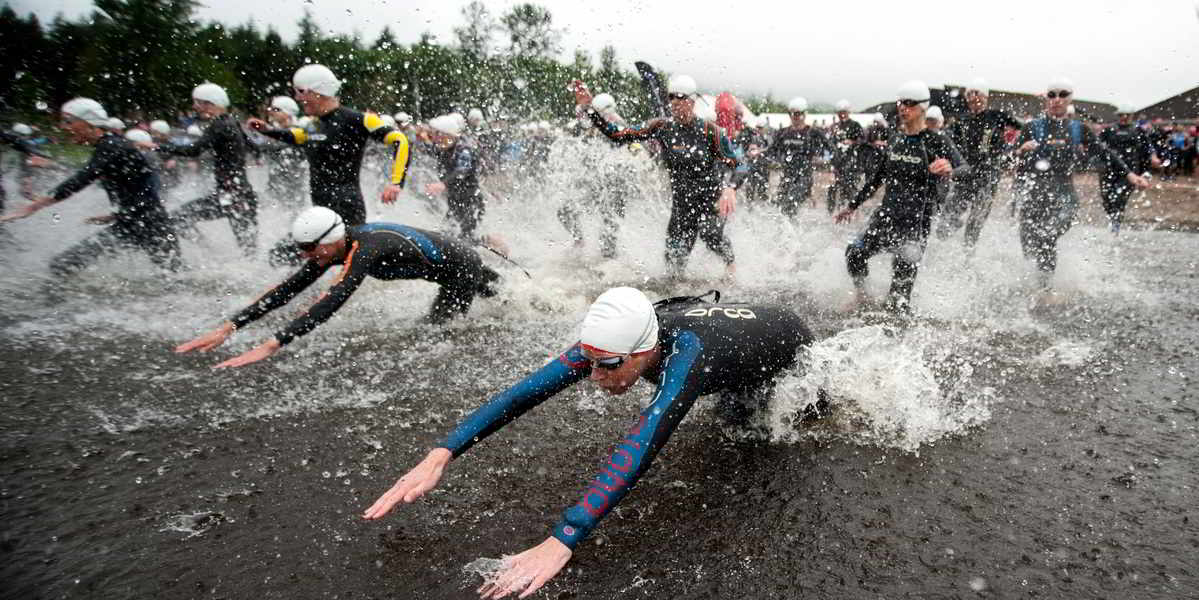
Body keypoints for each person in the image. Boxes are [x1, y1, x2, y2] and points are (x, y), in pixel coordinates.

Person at [362, 287, 817, 598]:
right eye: (591, 364)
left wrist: (565, 536)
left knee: (773, 431)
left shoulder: (686, 359)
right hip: (737, 348)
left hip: (787, 351)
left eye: (608, 366)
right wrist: (443, 452)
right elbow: (523, 393)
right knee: (731, 424)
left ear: (643, 353)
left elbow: (642, 443)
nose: (596, 378)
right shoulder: (618, 341)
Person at [175, 206, 501, 368]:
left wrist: (273, 344)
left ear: (329, 241)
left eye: (308, 248)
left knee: (437, 331)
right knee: (502, 298)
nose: (304, 256)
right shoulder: (337, 247)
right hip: (451, 259)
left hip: (461, 267)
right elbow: (288, 289)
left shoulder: (365, 249)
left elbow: (334, 298)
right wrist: (231, 326)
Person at [570, 75, 746, 280]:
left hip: (710, 201)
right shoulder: (662, 127)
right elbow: (618, 134)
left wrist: (730, 188)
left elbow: (739, 165)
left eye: (680, 97)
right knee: (673, 263)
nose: (675, 102)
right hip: (682, 205)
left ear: (692, 101)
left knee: (710, 235)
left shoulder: (711, 131)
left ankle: (731, 267)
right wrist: (589, 109)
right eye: (671, 97)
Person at [0, 98, 181, 278]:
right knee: (173, 276)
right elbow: (135, 186)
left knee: (175, 277)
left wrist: (32, 207)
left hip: (147, 224)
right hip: (140, 222)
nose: (63, 127)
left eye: (69, 121)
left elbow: (83, 177)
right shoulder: (109, 146)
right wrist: (118, 214)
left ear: (88, 122)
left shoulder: (113, 146)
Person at [1011, 79, 1149, 292]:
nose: (1057, 99)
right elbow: (1006, 156)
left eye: (1062, 94)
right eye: (1052, 95)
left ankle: (1045, 291)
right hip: (1035, 194)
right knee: (1029, 245)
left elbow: (1106, 153)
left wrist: (1130, 174)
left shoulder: (1078, 128)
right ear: (1046, 99)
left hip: (1065, 195)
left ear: (1069, 99)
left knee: (1047, 237)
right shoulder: (1032, 127)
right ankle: (1035, 286)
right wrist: (1020, 152)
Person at [833, 81, 958, 314]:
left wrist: (949, 167)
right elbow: (877, 178)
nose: (903, 108)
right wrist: (851, 206)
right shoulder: (895, 140)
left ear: (922, 107)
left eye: (910, 104)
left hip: (916, 222)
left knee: (898, 299)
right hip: (887, 215)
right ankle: (862, 296)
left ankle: (900, 328)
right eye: (901, 103)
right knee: (854, 253)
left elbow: (965, 169)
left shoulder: (936, 140)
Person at [246, 64, 411, 229]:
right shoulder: (314, 124)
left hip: (347, 208)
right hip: (320, 208)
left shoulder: (357, 119)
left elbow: (400, 140)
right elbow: (297, 137)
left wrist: (396, 183)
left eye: (300, 91)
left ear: (319, 92)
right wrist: (268, 130)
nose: (297, 98)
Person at [158, 83, 260, 254]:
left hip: (230, 195)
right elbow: (254, 147)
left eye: (197, 103)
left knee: (178, 217)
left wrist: (158, 147)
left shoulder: (219, 125)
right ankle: (217, 255)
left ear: (209, 103)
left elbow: (194, 150)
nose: (194, 107)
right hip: (241, 194)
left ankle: (212, 252)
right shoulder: (232, 122)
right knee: (249, 249)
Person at [940, 78, 1024, 248]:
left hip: (988, 175)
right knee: (945, 223)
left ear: (985, 96)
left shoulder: (997, 116)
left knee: (974, 225)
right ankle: (946, 249)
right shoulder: (961, 120)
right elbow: (948, 143)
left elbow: (1024, 128)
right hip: (965, 173)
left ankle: (968, 260)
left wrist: (1016, 150)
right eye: (969, 93)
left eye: (977, 92)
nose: (973, 97)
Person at [557, 92, 632, 257]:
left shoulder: (618, 125)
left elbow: (626, 148)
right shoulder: (592, 125)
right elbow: (578, 134)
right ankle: (579, 241)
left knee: (609, 232)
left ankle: (610, 264)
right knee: (564, 211)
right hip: (595, 184)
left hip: (616, 187)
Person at [424, 114, 488, 242]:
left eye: (436, 134)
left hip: (470, 201)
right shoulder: (445, 148)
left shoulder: (464, 149)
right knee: (447, 233)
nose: (434, 138)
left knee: (468, 238)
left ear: (446, 135)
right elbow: (430, 152)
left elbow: (462, 170)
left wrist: (443, 184)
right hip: (455, 200)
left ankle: (494, 243)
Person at [1098, 104, 1160, 233]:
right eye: (1121, 115)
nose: (1124, 118)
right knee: (1107, 197)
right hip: (1110, 168)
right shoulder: (1109, 130)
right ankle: (1112, 218)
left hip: (1130, 171)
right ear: (1118, 116)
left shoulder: (1138, 130)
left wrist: (1153, 157)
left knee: (1119, 195)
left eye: (1127, 115)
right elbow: (1096, 144)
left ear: (1132, 116)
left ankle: (1116, 224)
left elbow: (1149, 147)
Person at [766, 97, 830, 218]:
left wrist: (823, 159)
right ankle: (789, 234)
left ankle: (794, 233)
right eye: (792, 113)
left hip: (804, 178)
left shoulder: (813, 132)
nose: (795, 116)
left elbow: (830, 148)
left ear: (804, 114)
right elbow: (771, 151)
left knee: (790, 202)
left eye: (798, 113)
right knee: (779, 207)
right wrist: (759, 153)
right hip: (787, 176)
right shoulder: (783, 132)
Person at [258, 95, 309, 207]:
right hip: (275, 187)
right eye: (271, 109)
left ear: (288, 112)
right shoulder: (273, 132)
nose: (271, 112)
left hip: (294, 189)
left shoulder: (298, 131)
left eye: (276, 109)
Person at [827, 99, 864, 214]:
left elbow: (863, 141)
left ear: (848, 112)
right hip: (838, 162)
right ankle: (832, 212)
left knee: (849, 188)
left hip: (852, 162)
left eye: (844, 112)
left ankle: (852, 211)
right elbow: (830, 144)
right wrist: (831, 164)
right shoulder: (835, 126)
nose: (842, 115)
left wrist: (852, 142)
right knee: (833, 188)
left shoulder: (855, 125)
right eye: (840, 112)